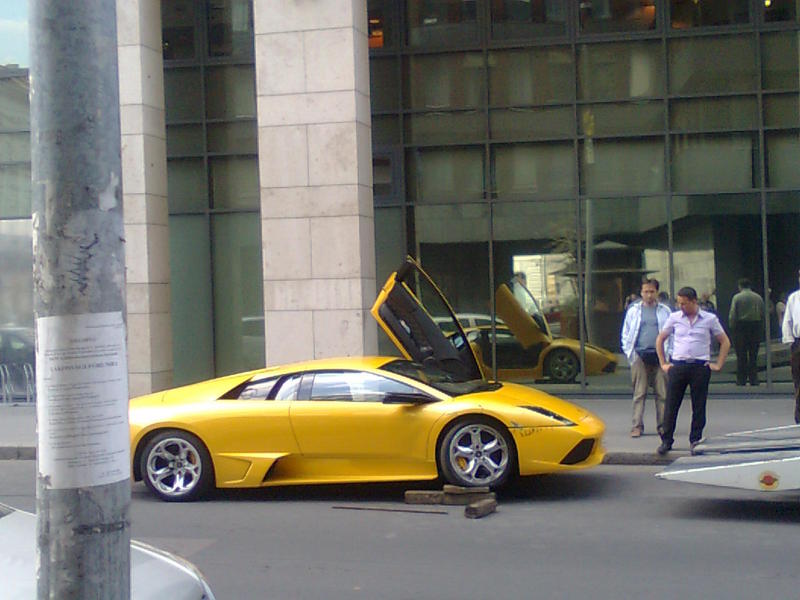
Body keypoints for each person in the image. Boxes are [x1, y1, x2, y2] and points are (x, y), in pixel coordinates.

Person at [655, 286, 731, 455]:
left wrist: (718, 364)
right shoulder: (674, 318)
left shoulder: (709, 319)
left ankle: (695, 440)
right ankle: (666, 440)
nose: (681, 306)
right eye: (679, 303)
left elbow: (724, 341)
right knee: (671, 404)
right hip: (679, 365)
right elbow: (660, 339)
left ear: (694, 301)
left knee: (699, 405)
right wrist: (663, 363)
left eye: (684, 303)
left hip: (699, 366)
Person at [620, 279, 672, 438]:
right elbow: (626, 333)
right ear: (641, 293)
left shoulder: (665, 311)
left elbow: (672, 333)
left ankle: (663, 426)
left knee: (662, 393)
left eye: (652, 291)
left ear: (657, 293)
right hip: (639, 355)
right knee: (639, 393)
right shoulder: (634, 311)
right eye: (646, 292)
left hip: (660, 356)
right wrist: (630, 354)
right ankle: (637, 426)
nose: (649, 295)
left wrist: (669, 355)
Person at [728, 278, 765, 386]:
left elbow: (733, 314)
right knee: (753, 355)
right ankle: (754, 379)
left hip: (741, 327)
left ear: (740, 286)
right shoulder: (758, 297)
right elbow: (763, 313)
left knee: (741, 355)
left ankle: (741, 380)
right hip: (755, 326)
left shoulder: (737, 297)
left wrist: (732, 327)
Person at [781, 270, 800, 424]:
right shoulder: (794, 298)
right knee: (798, 379)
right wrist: (790, 341)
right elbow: (787, 320)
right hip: (798, 343)